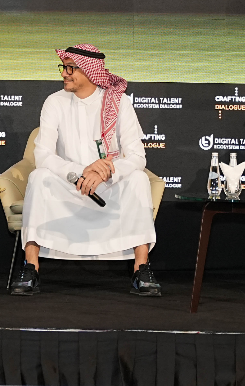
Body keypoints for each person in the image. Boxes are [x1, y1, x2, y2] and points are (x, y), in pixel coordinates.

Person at [10, 44, 160, 297]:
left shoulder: (119, 103)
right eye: (63, 67)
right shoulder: (54, 102)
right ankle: (30, 267)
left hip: (108, 186)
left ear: (90, 71)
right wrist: (82, 170)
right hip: (69, 184)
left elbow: (137, 157)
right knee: (38, 177)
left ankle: (141, 269)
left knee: (137, 179)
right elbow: (43, 155)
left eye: (71, 68)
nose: (64, 73)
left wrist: (104, 172)